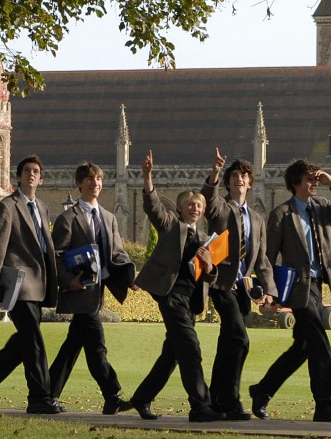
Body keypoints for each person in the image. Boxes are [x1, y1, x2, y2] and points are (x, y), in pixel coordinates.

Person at [249, 159, 331, 423]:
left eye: (316, 179)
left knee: (304, 346)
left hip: (319, 286)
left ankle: (262, 390)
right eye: (310, 180)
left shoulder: (321, 208)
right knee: (321, 345)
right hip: (299, 289)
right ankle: (326, 406)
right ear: (296, 183)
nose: (314, 184)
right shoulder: (282, 214)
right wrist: (269, 293)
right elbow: (268, 256)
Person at [129, 150, 224, 423]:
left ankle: (142, 398)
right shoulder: (172, 225)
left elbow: (211, 277)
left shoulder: (206, 239)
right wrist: (147, 177)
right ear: (181, 208)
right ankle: (201, 406)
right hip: (170, 296)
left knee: (172, 354)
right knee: (191, 349)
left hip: (191, 301)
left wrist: (210, 265)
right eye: (190, 204)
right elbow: (154, 208)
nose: (195, 208)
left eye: (199, 205)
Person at [0, 155, 61, 414]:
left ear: (41, 179)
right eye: (26, 171)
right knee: (33, 341)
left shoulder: (43, 208)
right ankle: (39, 398)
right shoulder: (7, 206)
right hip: (18, 286)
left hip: (40, 285)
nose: (31, 174)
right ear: (19, 177)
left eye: (35, 171)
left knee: (24, 341)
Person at [48, 162, 133, 415]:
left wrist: (129, 276)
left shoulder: (108, 217)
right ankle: (112, 394)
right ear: (79, 184)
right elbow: (57, 255)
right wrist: (69, 280)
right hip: (80, 291)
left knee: (73, 345)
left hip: (99, 293)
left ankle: (46, 394)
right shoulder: (67, 218)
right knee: (96, 344)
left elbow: (117, 254)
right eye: (90, 179)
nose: (95, 183)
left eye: (98, 179)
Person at [201, 149, 277, 420]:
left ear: (250, 182)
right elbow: (208, 200)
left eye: (243, 176)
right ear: (228, 181)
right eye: (234, 176)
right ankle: (232, 400)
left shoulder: (256, 220)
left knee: (228, 344)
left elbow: (263, 260)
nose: (239, 179)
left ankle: (214, 400)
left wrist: (269, 291)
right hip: (222, 285)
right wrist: (214, 173)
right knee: (240, 339)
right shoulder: (221, 207)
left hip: (244, 290)